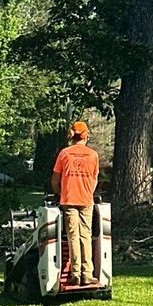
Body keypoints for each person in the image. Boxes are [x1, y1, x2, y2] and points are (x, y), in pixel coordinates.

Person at [51, 121, 100, 287]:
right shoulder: (93, 155)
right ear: (86, 136)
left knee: (73, 236)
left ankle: (76, 274)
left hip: (68, 199)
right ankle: (87, 274)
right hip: (86, 200)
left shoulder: (64, 153)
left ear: (72, 135)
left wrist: (58, 193)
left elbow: (55, 179)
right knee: (85, 235)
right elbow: (94, 180)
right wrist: (88, 192)